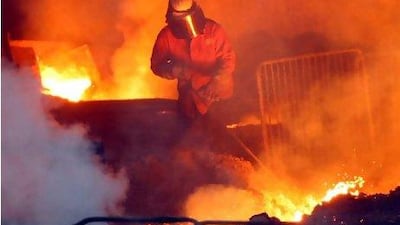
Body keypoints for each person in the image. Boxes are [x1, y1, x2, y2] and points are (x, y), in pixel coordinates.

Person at [150, 0, 236, 122]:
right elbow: (156, 64)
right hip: (189, 101)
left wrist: (217, 81)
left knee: (222, 136)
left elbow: (228, 59)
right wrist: (173, 70)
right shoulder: (167, 35)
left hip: (218, 98)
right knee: (195, 138)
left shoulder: (213, 30)